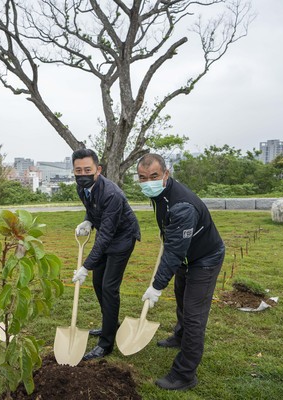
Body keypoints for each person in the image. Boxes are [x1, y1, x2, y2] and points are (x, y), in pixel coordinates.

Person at [136, 153, 225, 391]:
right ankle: (179, 336)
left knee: (195, 315)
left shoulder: (182, 206)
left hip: (204, 258)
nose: (148, 182)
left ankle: (185, 374)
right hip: (187, 256)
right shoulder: (160, 193)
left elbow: (174, 252)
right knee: (182, 300)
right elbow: (174, 243)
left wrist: (156, 286)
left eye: (153, 176)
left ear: (166, 174)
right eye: (142, 178)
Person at [71, 149, 141, 361]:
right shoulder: (81, 187)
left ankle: (106, 343)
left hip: (122, 239)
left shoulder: (112, 194)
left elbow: (106, 236)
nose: (82, 174)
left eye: (88, 170)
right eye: (78, 170)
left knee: (109, 287)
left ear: (98, 170)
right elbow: (93, 209)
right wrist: (88, 220)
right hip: (107, 234)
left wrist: (85, 266)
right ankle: (110, 323)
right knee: (98, 283)